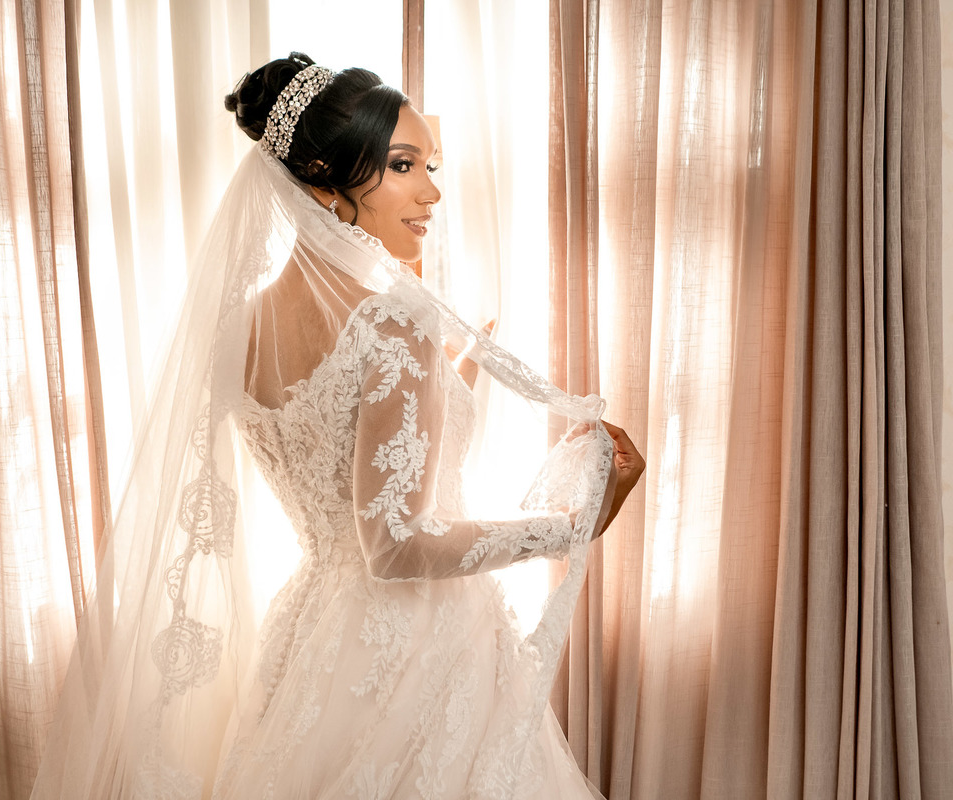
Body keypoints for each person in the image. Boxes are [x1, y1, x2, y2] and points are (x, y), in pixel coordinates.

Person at [31, 53, 644, 800]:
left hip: (317, 637)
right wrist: (573, 525)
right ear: (325, 179)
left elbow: (341, 453)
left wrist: (450, 384)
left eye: (430, 166)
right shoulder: (394, 325)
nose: (432, 191)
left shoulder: (240, 327)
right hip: (420, 653)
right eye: (403, 166)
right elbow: (395, 545)